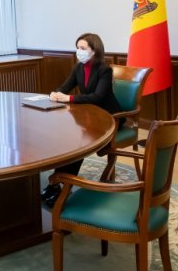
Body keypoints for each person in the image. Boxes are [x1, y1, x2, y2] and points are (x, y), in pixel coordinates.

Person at [41, 32, 122, 207]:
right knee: (70, 141)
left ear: (94, 50)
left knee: (79, 143)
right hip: (90, 116)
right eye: (77, 48)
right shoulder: (78, 68)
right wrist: (55, 94)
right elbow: (65, 87)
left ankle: (63, 187)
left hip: (109, 117)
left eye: (83, 48)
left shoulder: (104, 70)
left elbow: (98, 97)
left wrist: (69, 98)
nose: (79, 51)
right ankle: (56, 185)